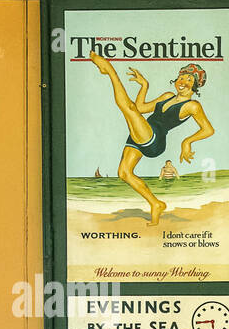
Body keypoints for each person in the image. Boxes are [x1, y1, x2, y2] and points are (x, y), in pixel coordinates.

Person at [88, 55, 214, 225]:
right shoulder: (167, 95)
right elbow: (141, 108)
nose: (183, 80)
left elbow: (208, 129)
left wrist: (187, 142)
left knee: (128, 108)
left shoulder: (193, 106)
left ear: (196, 85)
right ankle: (156, 204)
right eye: (181, 77)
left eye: (189, 79)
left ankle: (109, 70)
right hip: (141, 133)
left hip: (155, 140)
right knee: (124, 173)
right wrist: (144, 86)